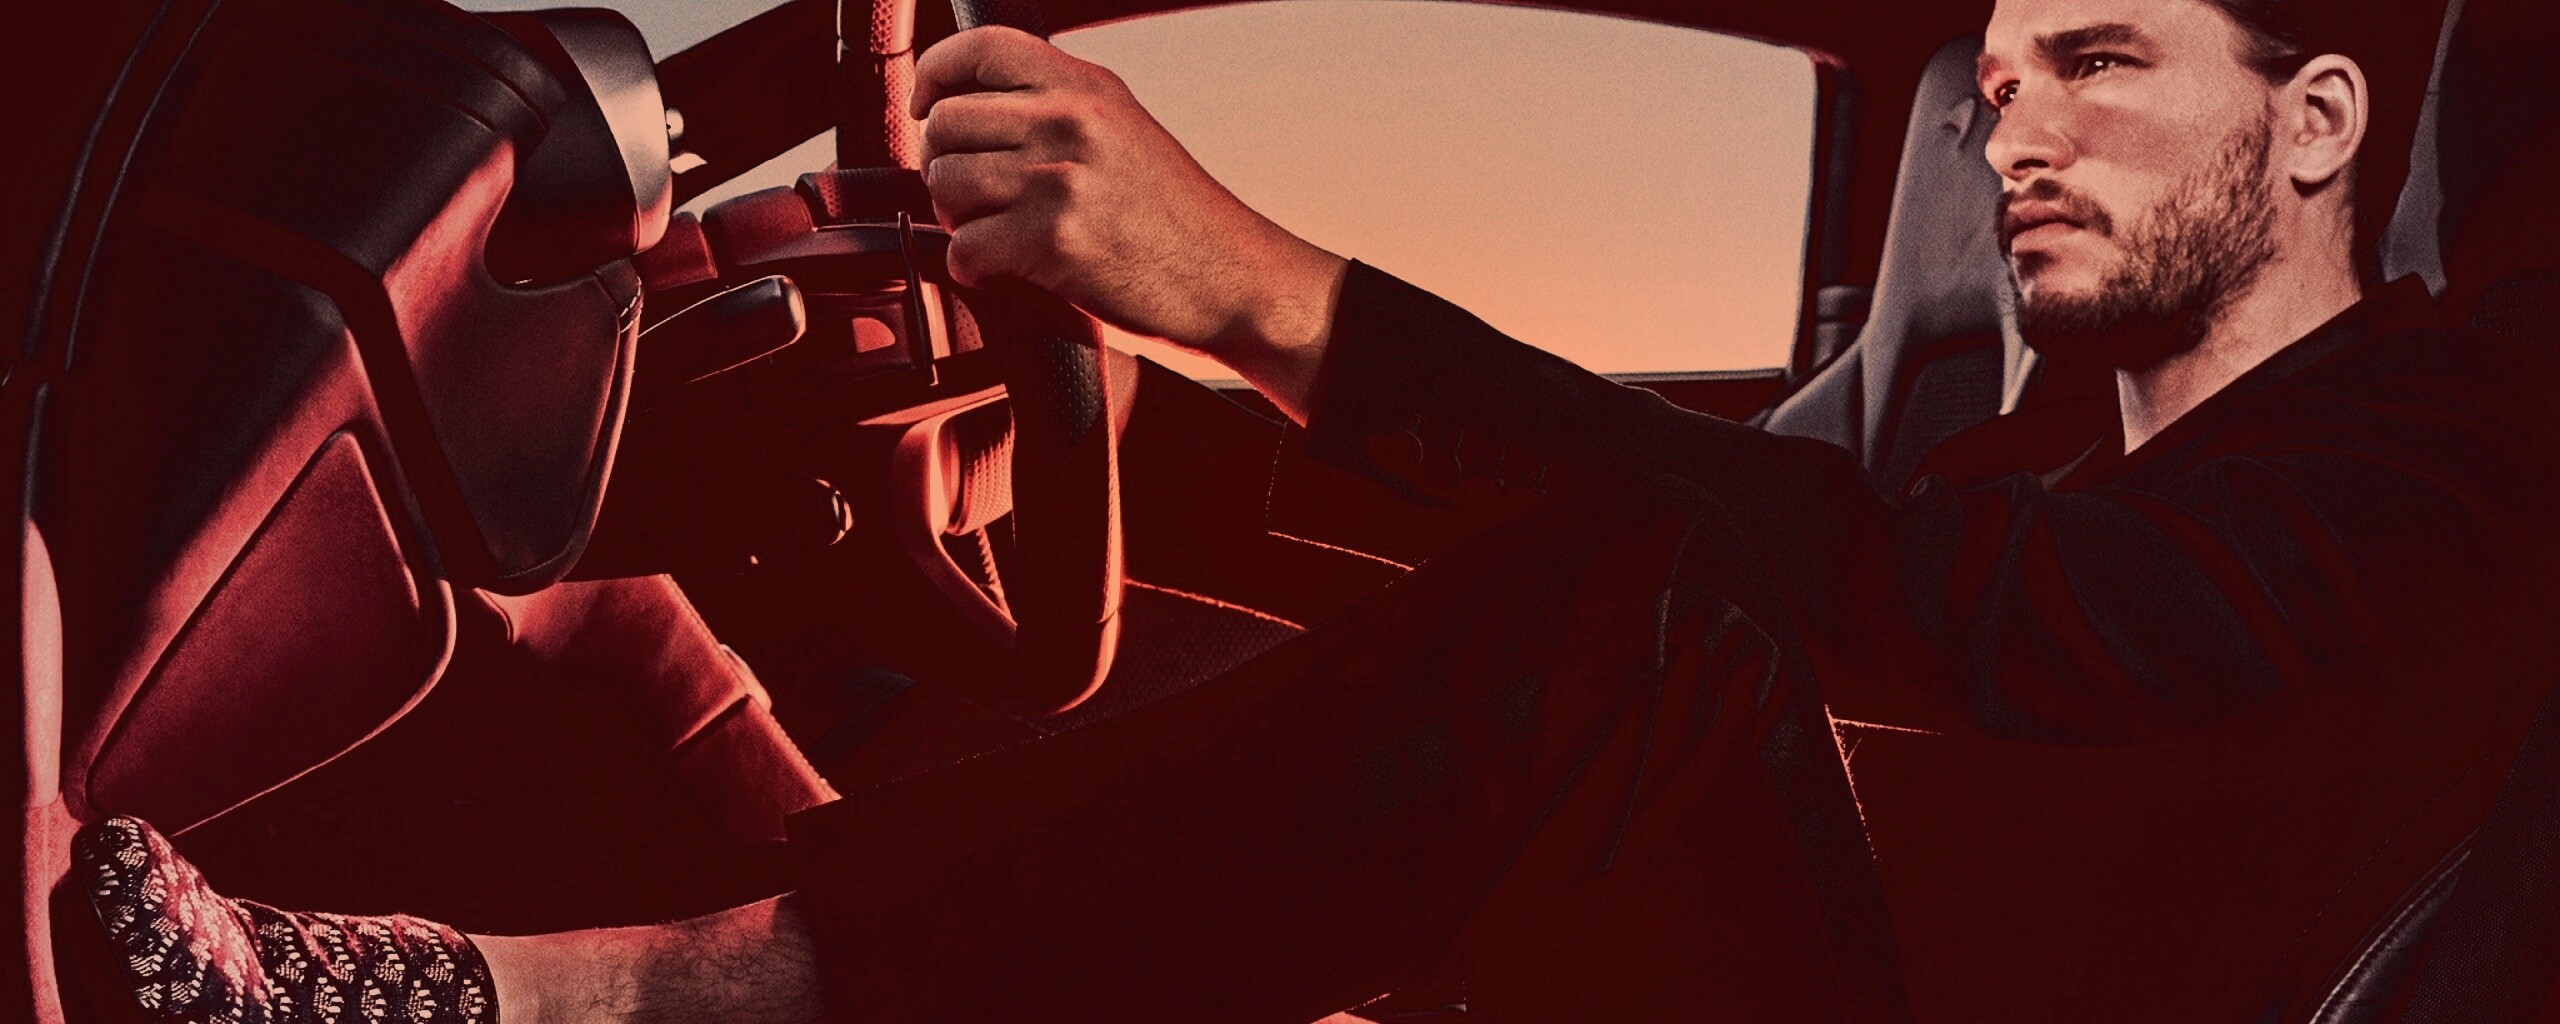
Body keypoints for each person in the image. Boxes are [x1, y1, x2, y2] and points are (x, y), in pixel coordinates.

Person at [65, 0, 2560, 1021]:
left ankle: (561, 1006)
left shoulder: (2468, 442)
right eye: (1988, 77)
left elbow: (1980, 625)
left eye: (2095, 58)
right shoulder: (2032, 465)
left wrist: (1271, 292)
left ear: (2318, 122)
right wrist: (1178, 387)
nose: (2007, 122)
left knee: (1630, 609)